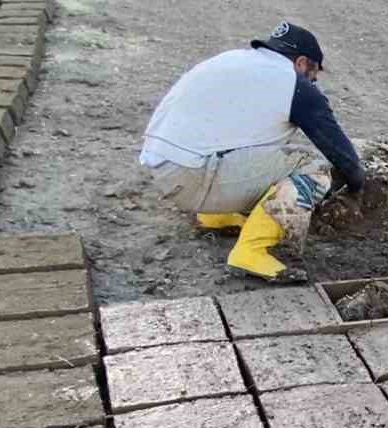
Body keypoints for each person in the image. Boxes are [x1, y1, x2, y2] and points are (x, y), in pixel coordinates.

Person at [138, 22, 365, 282]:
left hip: (164, 165)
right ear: (302, 62)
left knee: (266, 144)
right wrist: (356, 185)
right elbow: (342, 155)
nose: (313, 81)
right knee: (313, 167)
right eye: (314, 73)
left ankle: (216, 215)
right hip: (192, 177)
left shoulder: (234, 60)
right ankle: (251, 251)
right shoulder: (294, 85)